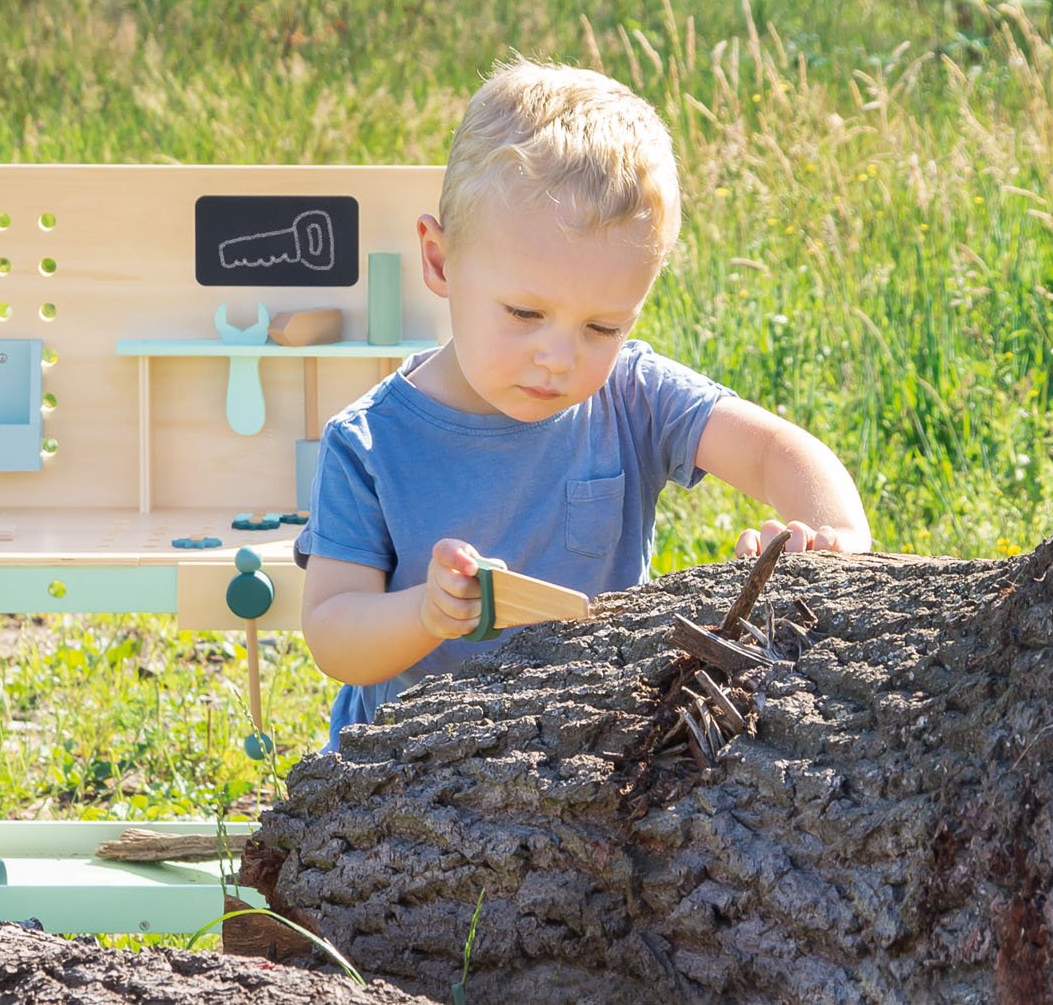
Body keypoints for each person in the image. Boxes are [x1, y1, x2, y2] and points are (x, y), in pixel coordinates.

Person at [295, 57, 870, 753]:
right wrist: (426, 613)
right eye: (524, 312)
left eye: (602, 327)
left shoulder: (631, 395)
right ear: (441, 261)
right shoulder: (370, 444)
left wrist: (831, 540)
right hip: (410, 776)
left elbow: (778, 451)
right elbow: (333, 632)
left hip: (587, 761)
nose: (560, 358)